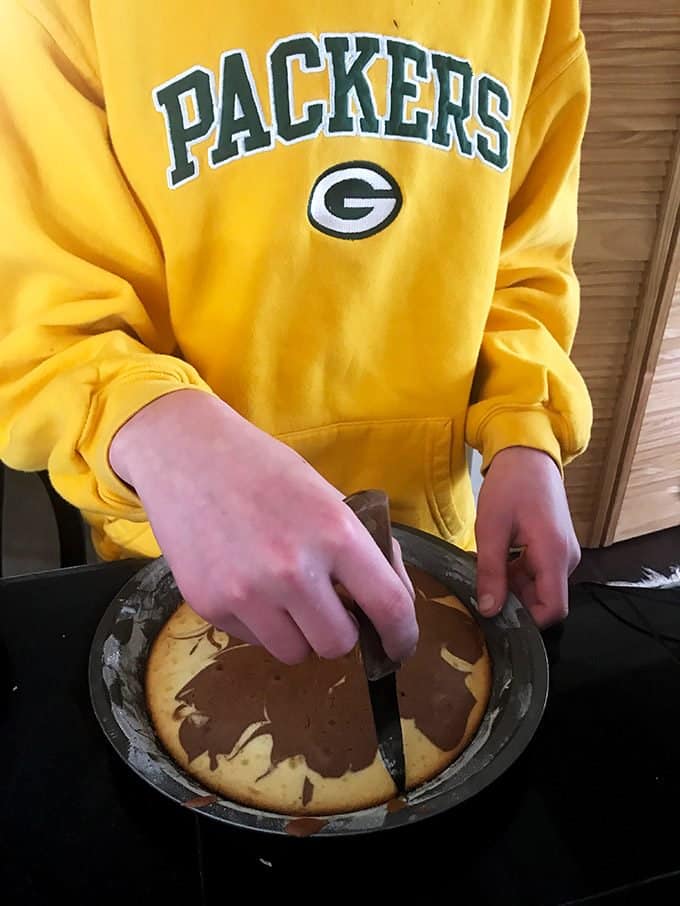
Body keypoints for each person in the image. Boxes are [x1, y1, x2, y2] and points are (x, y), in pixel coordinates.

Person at [0, 0, 591, 665]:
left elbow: (525, 256)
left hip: (430, 533)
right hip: (187, 561)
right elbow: (44, 322)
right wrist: (159, 426)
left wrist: (526, 428)